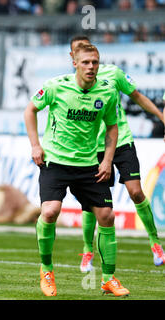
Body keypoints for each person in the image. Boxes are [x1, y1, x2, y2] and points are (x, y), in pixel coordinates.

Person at [24, 43, 130, 297]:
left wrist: (107, 161)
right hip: (55, 162)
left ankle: (108, 278)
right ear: (75, 63)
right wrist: (35, 145)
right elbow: (30, 110)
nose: (91, 67)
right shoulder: (55, 86)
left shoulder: (107, 92)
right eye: (85, 62)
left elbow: (112, 127)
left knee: (106, 216)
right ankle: (46, 270)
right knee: (50, 211)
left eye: (95, 62)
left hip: (89, 165)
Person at [69, 35, 165, 272]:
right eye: (79, 54)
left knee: (135, 191)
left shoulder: (114, 74)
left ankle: (155, 242)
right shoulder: (69, 85)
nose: (90, 64)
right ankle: (87, 250)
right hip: (93, 149)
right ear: (73, 58)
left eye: (92, 58)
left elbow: (138, 96)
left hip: (121, 141)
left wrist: (162, 117)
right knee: (94, 203)